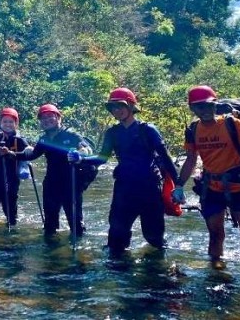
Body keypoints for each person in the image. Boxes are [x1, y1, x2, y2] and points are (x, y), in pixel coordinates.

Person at [172, 85, 240, 266]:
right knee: (215, 235)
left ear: (215, 105)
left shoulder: (232, 124)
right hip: (211, 188)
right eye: (200, 107)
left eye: (209, 105)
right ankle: (216, 272)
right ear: (192, 109)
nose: (206, 110)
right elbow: (191, 160)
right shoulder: (193, 130)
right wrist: (179, 185)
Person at [77, 88, 180, 255]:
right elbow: (102, 158)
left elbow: (166, 158)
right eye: (112, 107)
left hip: (149, 188)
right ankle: (119, 272)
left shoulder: (148, 130)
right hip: (124, 189)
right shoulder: (112, 133)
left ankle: (158, 274)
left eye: (120, 106)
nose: (116, 110)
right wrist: (81, 159)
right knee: (116, 239)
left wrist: (179, 185)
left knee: (154, 238)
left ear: (131, 106)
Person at [7, 104, 92, 237]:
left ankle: (80, 252)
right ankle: (50, 251)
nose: (46, 120)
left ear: (58, 117)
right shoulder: (44, 139)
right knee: (49, 224)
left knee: (76, 224)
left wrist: (79, 154)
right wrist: (11, 154)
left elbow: (87, 149)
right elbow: (32, 155)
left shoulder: (71, 134)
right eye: (43, 118)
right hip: (51, 184)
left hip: (71, 184)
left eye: (50, 116)